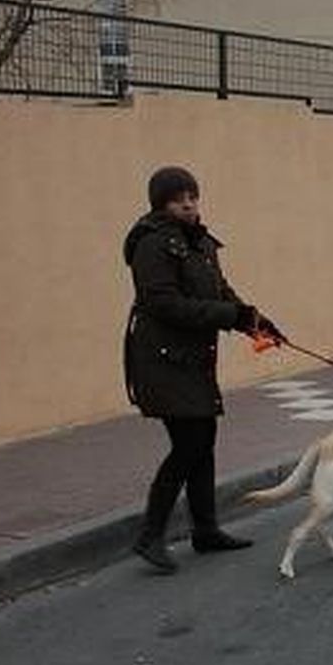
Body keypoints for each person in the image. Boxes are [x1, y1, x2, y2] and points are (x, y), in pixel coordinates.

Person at [122, 166, 284, 574]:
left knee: (203, 440)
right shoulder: (153, 244)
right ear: (162, 204)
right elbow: (164, 303)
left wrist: (254, 321)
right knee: (189, 444)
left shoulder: (201, 242)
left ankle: (206, 529)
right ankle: (150, 536)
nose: (189, 204)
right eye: (179, 199)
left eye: (193, 196)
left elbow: (221, 292)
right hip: (162, 360)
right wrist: (230, 315)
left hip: (192, 360)